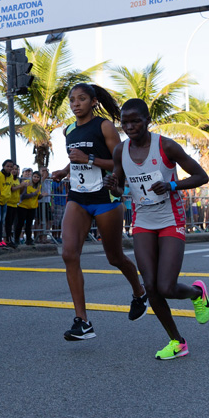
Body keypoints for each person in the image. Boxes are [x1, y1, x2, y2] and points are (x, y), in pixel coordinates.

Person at [107, 98, 209, 359]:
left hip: (170, 219)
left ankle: (197, 293)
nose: (129, 127)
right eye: (124, 123)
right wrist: (114, 187)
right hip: (142, 220)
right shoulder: (120, 151)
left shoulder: (165, 146)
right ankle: (177, 342)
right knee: (151, 287)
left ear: (147, 121)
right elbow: (120, 188)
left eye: (135, 121)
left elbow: (202, 176)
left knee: (166, 287)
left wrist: (172, 185)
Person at [51, 83, 148, 341]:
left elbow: (121, 163)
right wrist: (65, 171)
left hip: (105, 197)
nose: (76, 104)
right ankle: (82, 321)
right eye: (72, 100)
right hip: (78, 197)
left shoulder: (104, 126)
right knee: (69, 254)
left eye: (82, 99)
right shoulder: (68, 130)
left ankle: (140, 292)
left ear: (93, 101)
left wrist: (89, 160)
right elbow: (76, 158)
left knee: (114, 257)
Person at [15, 169, 41, 246]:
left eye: (37, 177)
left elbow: (37, 196)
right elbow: (23, 196)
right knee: (20, 223)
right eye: (34, 176)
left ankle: (29, 239)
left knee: (29, 224)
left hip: (32, 207)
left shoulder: (39, 185)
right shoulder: (27, 183)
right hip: (23, 206)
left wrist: (41, 195)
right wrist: (34, 194)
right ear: (32, 176)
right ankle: (16, 239)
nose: (36, 178)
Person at [0, 159, 12, 247]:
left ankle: (0, 239)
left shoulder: (11, 176)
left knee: (2, 221)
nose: (9, 168)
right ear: (3, 166)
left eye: (11, 167)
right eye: (7, 166)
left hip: (5, 201)